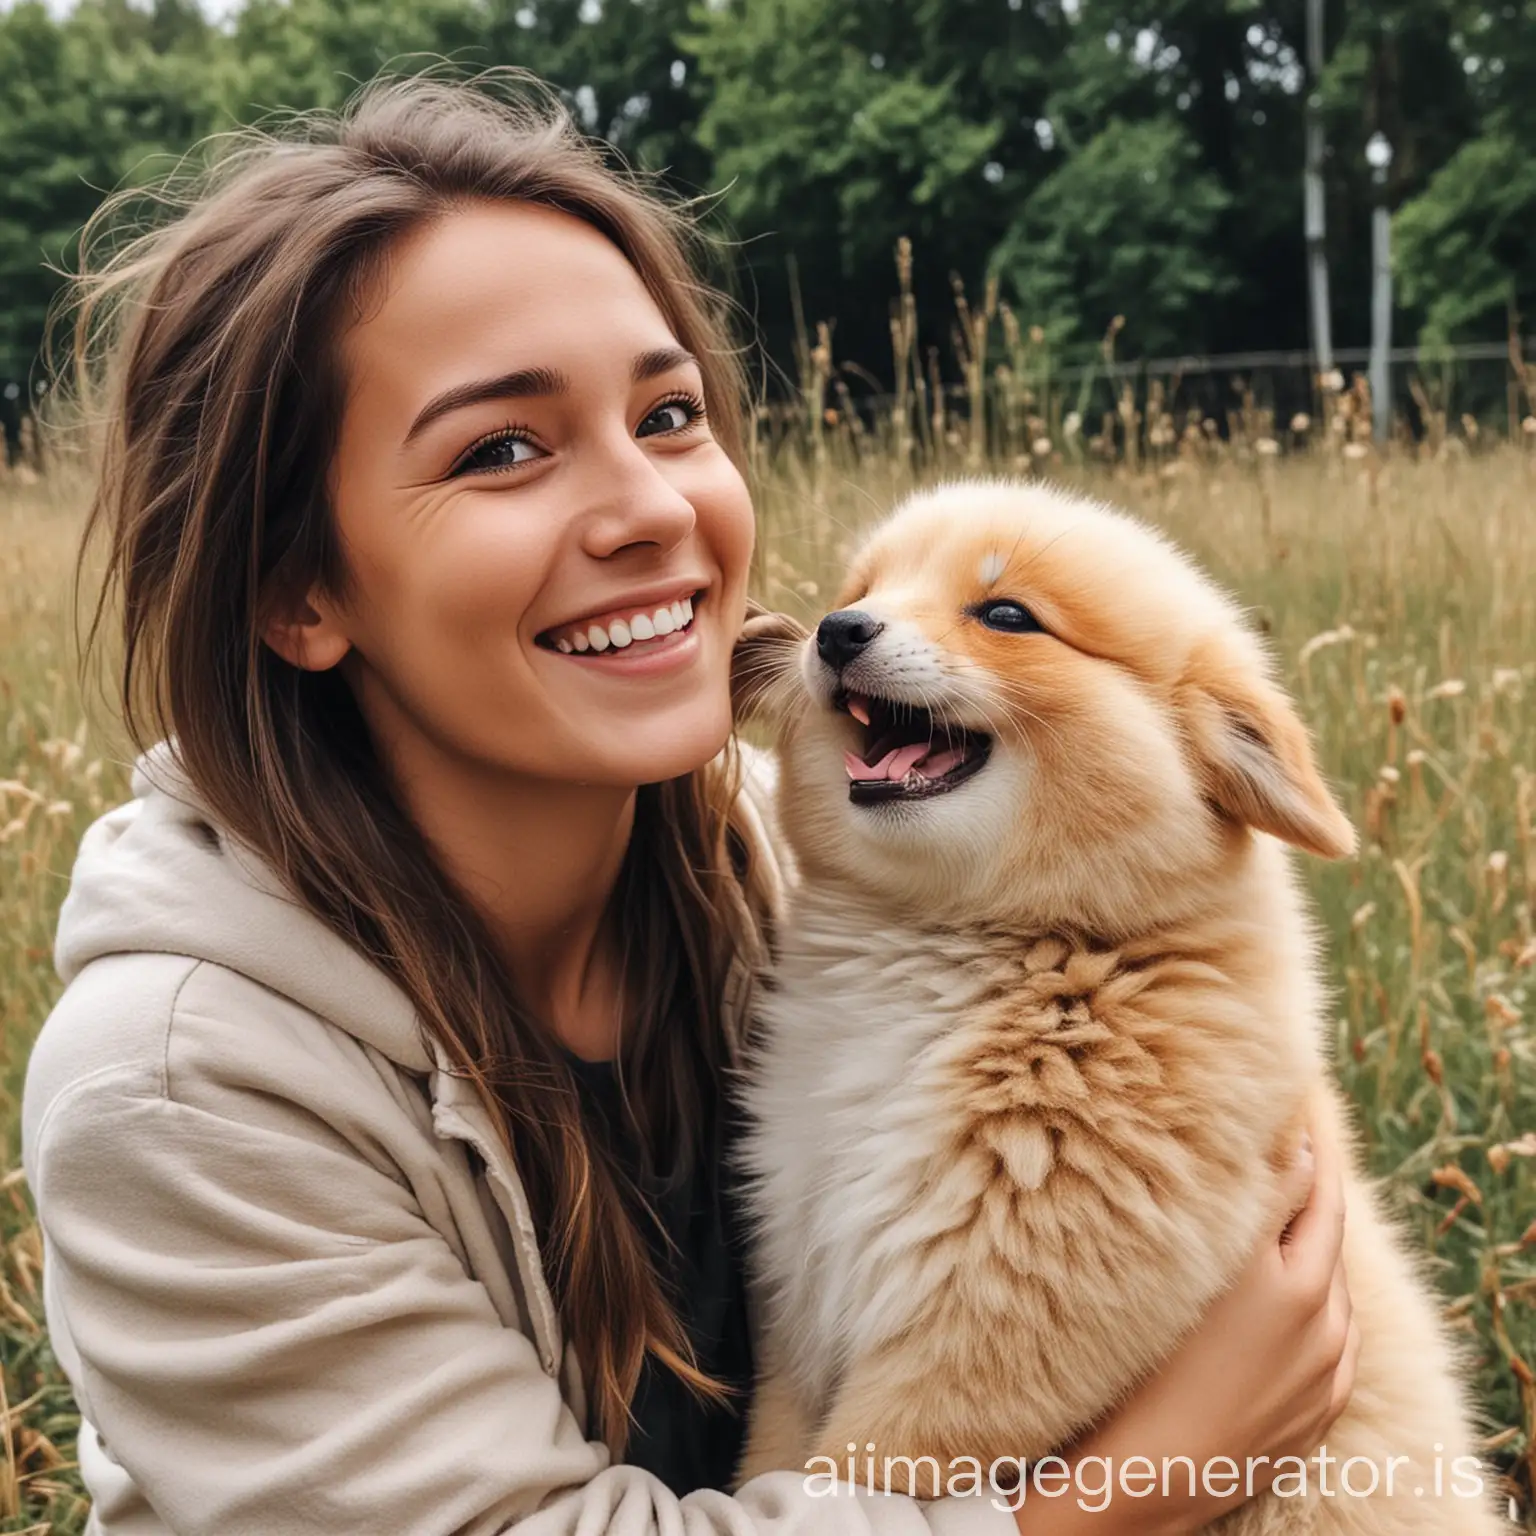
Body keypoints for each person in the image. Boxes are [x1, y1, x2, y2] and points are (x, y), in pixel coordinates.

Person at [22, 72, 1359, 1536]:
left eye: (667, 414)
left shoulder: (815, 875)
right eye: (503, 449)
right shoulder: (180, 1090)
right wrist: (1128, 1491)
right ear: (299, 593)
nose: (653, 508)